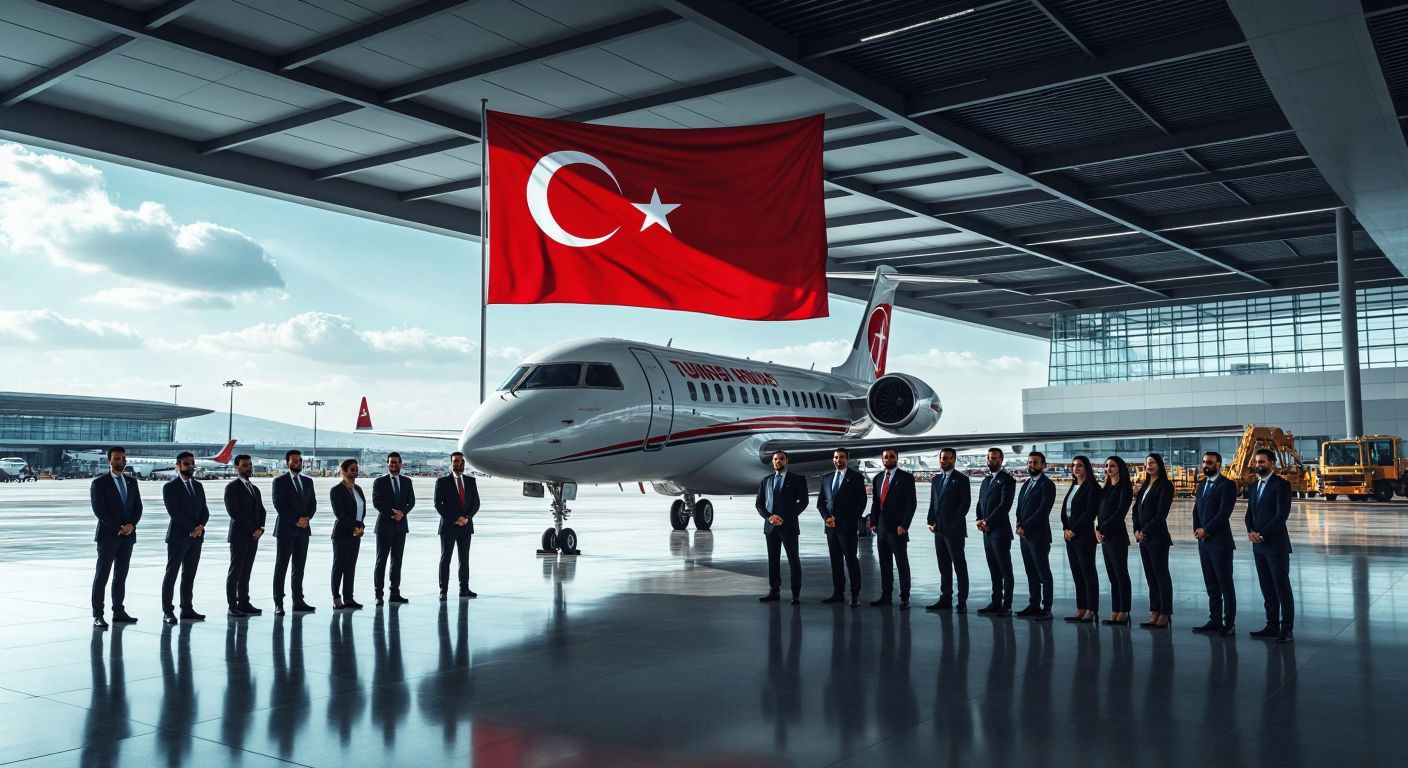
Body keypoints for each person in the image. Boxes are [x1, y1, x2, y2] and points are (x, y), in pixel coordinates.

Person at [1246, 447, 1295, 644]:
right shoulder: (1253, 486)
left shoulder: (1281, 485)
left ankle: (1287, 629)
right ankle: (1271, 625)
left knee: (1282, 588)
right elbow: (1250, 513)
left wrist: (1263, 534)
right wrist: (1250, 531)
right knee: (1266, 587)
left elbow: (1280, 515)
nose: (1258, 465)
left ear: (1272, 463)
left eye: (1262, 462)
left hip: (1276, 545)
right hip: (1258, 546)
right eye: (1256, 462)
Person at [90, 446, 141, 628]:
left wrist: (132, 525)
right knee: (102, 576)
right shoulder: (99, 483)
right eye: (117, 458)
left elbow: (138, 507)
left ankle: (119, 611)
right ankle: (98, 615)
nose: (121, 461)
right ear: (109, 461)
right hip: (108, 537)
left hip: (128, 537)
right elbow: (100, 510)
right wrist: (119, 527)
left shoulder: (132, 482)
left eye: (123, 458)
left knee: (121, 576)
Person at [160, 452, 209, 624]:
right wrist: (192, 529)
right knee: (172, 574)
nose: (190, 466)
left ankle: (187, 608)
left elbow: (204, 510)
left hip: (196, 538)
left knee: (189, 574)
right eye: (186, 464)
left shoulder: (198, 486)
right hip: (178, 537)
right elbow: (174, 512)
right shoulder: (170, 487)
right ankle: (167, 611)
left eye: (192, 463)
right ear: (178, 466)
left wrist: (201, 526)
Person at [1193, 451, 1237, 637]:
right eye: (1204, 462)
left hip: (1220, 543)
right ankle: (1215, 619)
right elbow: (1196, 509)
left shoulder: (1227, 485)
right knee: (1211, 584)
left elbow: (1223, 513)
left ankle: (1229, 623)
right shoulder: (1202, 485)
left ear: (1219, 464)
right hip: (1203, 543)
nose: (1206, 465)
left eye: (1210, 462)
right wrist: (1197, 529)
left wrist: (1207, 529)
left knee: (1225, 585)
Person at [756, 450, 809, 604]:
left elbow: (803, 502)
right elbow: (759, 504)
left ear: (787, 461)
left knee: (794, 560)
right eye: (775, 459)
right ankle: (774, 591)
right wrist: (769, 517)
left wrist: (784, 518)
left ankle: (795, 594)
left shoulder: (797, 479)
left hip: (788, 526)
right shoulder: (766, 480)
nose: (778, 461)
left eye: (781, 459)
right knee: (773, 560)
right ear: (772, 462)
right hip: (771, 526)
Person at [869, 448, 917, 610]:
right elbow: (876, 503)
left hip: (898, 528)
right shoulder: (878, 478)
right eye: (885, 457)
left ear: (897, 458)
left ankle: (904, 598)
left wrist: (905, 525)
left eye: (891, 457)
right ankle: (886, 595)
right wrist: (873, 522)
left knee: (902, 564)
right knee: (885, 563)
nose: (888, 459)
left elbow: (911, 504)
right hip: (881, 528)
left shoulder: (906, 478)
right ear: (882, 459)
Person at [816, 447, 865, 606]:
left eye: (841, 457)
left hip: (847, 527)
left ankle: (855, 594)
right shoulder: (827, 478)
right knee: (835, 561)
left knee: (851, 560)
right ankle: (838, 592)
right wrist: (827, 518)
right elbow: (820, 503)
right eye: (836, 457)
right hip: (831, 528)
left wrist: (848, 521)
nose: (838, 460)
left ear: (847, 459)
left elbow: (860, 503)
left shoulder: (856, 477)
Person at [271, 449, 316, 616]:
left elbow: (313, 503)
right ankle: (279, 602)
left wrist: (307, 518)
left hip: (303, 530)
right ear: (287, 462)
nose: (298, 463)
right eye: (294, 460)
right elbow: (279, 505)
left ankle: (298, 600)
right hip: (286, 530)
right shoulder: (279, 481)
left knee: (299, 567)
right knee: (281, 566)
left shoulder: (308, 481)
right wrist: (297, 520)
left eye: (299, 460)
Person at [926, 447, 971, 612]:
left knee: (959, 566)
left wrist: (953, 524)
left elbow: (965, 505)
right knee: (943, 566)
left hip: (954, 530)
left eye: (947, 458)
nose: (943, 461)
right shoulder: (936, 479)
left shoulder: (961, 479)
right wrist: (930, 521)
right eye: (942, 458)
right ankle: (945, 598)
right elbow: (933, 502)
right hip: (938, 530)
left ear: (953, 460)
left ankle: (962, 601)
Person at [1133, 453, 1174, 629]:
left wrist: (1145, 531)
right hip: (1143, 539)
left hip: (1157, 538)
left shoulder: (1165, 485)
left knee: (1161, 576)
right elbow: (1136, 510)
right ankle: (1154, 611)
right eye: (1147, 463)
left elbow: (1160, 514)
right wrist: (1136, 530)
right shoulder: (1145, 485)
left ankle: (1165, 612)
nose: (1149, 466)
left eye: (1152, 463)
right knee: (1150, 577)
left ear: (1159, 465)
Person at [1014, 451, 1055, 621]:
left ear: (1043, 465)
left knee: (1043, 573)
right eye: (1030, 462)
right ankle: (1034, 604)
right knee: (1031, 572)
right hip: (1025, 537)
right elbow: (1020, 507)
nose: (1032, 465)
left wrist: (1025, 526)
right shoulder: (1026, 484)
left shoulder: (1047, 485)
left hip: (1039, 536)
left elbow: (1043, 511)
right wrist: (1018, 524)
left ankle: (1047, 608)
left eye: (1035, 462)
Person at [224, 454, 267, 618]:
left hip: (253, 536)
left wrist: (261, 529)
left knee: (246, 571)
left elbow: (262, 510)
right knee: (235, 572)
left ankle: (244, 602)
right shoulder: (232, 487)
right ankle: (232, 605)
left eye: (250, 465)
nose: (249, 468)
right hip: (239, 536)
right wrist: (252, 529)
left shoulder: (254, 489)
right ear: (237, 467)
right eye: (245, 465)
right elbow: (234, 512)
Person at [975, 448, 1016, 616]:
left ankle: (1007, 605)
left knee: (1005, 570)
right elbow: (980, 502)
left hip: (1000, 532)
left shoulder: (1007, 480)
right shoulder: (986, 481)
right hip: (987, 532)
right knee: (993, 569)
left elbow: (1004, 505)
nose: (993, 461)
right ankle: (996, 601)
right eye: (991, 458)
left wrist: (987, 521)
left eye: (996, 459)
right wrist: (979, 519)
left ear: (1001, 460)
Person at [433, 452, 479, 600]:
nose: (459, 463)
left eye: (462, 461)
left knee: (464, 559)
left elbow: (476, 503)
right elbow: (438, 504)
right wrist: (455, 518)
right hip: (448, 526)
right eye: (456, 461)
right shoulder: (442, 482)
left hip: (466, 526)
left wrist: (467, 518)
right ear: (451, 463)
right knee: (445, 559)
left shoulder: (471, 481)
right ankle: (443, 590)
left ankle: (464, 589)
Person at [372, 452, 416, 606]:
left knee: (397, 562)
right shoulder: (379, 482)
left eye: (396, 462)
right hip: (384, 527)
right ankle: (379, 594)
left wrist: (402, 513)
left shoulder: (407, 481)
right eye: (391, 462)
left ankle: (395, 593)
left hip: (401, 527)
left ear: (401, 464)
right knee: (381, 561)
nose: (393, 465)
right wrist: (392, 513)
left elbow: (411, 501)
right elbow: (377, 502)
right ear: (387, 464)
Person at [1061, 455, 1100, 623]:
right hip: (1070, 536)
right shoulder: (1073, 485)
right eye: (1074, 465)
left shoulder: (1092, 487)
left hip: (1084, 535)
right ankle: (1081, 607)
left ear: (1087, 468)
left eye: (1080, 465)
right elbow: (1065, 510)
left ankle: (1091, 609)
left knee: (1088, 572)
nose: (1076, 468)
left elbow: (1090, 512)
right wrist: (1065, 528)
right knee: (1077, 572)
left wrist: (1074, 530)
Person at [1097, 456, 1133, 626]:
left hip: (1117, 535)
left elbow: (1120, 511)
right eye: (1106, 466)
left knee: (1121, 574)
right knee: (1112, 576)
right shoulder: (1106, 488)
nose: (1108, 468)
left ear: (1120, 468)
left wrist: (1104, 527)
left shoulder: (1124, 487)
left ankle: (1124, 611)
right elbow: (1100, 511)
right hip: (1105, 536)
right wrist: (1098, 528)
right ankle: (1115, 610)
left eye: (1112, 466)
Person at [329, 458, 367, 610]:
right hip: (342, 532)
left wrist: (361, 526)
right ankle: (336, 597)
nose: (355, 472)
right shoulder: (336, 490)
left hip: (356, 533)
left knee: (351, 566)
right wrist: (354, 527)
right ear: (343, 471)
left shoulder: (358, 489)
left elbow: (362, 511)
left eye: (356, 469)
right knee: (339, 565)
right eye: (352, 469)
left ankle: (349, 597)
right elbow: (340, 513)